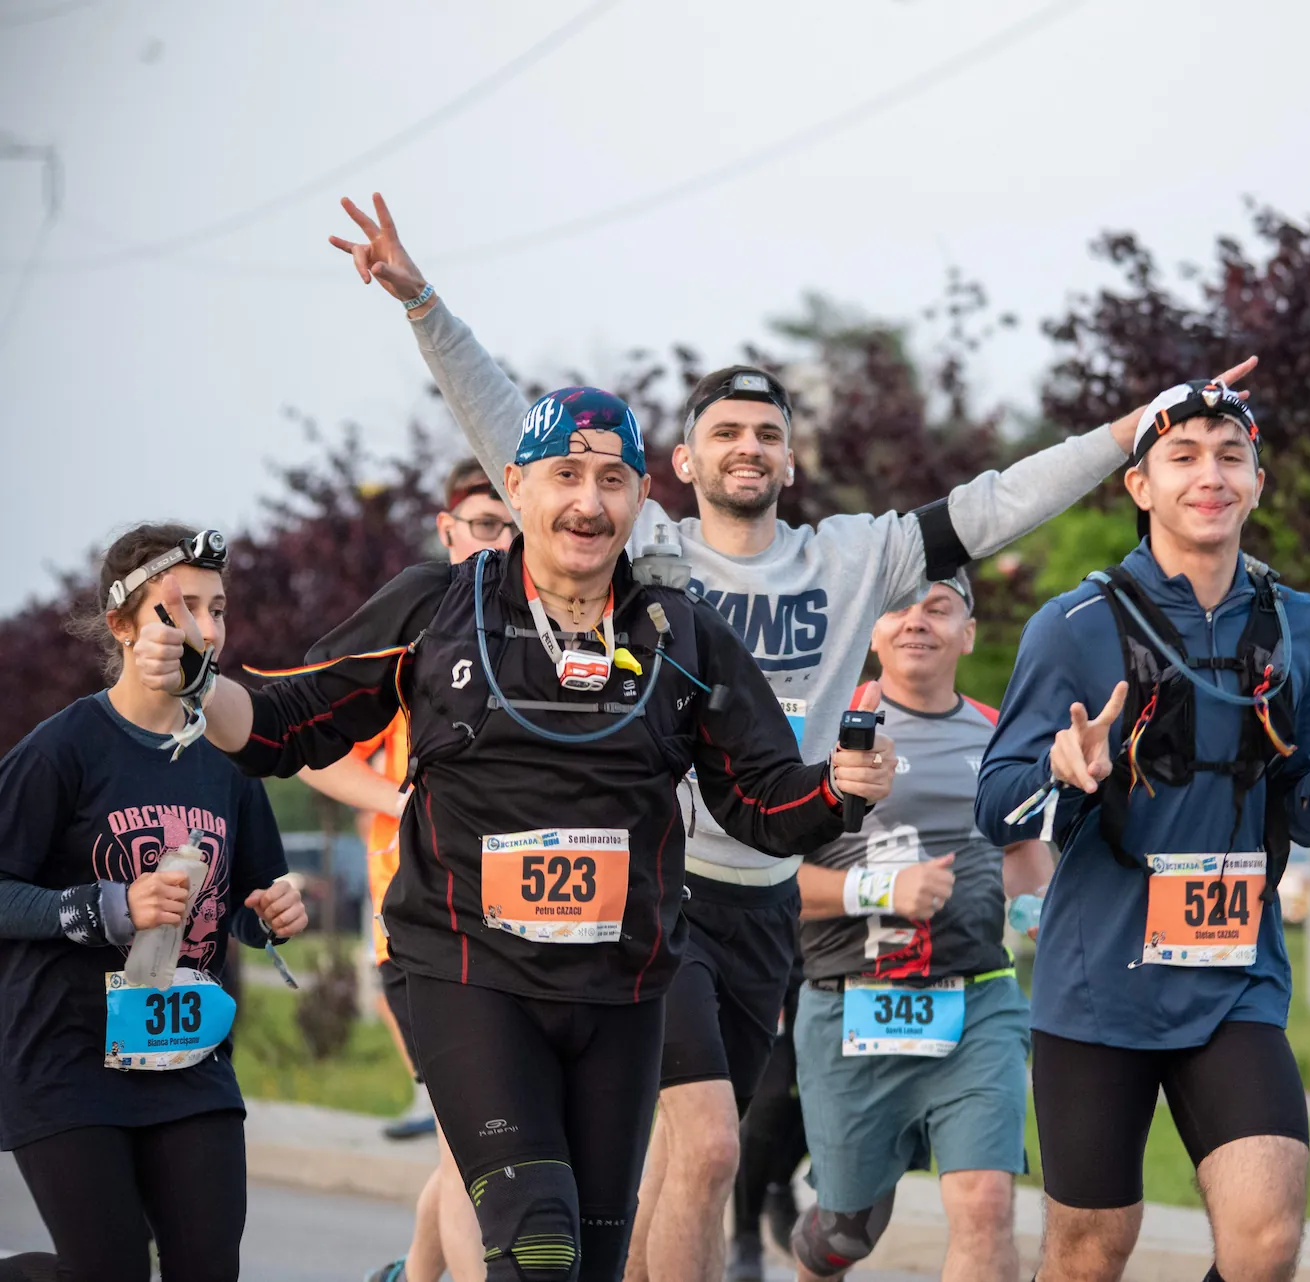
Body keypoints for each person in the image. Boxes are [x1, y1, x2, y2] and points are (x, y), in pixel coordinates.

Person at [325, 190, 1241, 1282]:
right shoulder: (647, 548)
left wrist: (1131, 433)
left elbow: (997, 504)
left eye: (767, 433)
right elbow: (506, 426)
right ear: (680, 463)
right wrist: (424, 304)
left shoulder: (854, 560)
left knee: (686, 1163)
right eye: (724, 433)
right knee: (707, 1139)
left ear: (790, 462)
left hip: (769, 891)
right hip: (654, 883)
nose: (747, 447)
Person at [130, 388, 897, 1282]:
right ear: (517, 485)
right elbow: (284, 723)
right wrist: (198, 680)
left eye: (613, 480)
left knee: (593, 1264)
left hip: (621, 991)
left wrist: (842, 789)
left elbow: (763, 804)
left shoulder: (682, 634)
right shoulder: (434, 610)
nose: (589, 502)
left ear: (642, 501)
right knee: (537, 1243)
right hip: (471, 976)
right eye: (565, 475)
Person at [976, 379, 1310, 1282]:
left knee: (1265, 1242)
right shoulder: (1070, 626)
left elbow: (1298, 804)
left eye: (1230, 456)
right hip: (1100, 984)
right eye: (1182, 457)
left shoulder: (1295, 621)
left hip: (1234, 979)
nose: (1208, 476)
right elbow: (996, 805)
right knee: (1090, 1253)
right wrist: (1064, 776)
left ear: (1259, 481)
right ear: (1139, 485)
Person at [0, 523, 309, 1282]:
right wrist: (110, 906)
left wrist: (271, 912)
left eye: (218, 609)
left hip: (189, 1058)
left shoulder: (229, 757)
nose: (206, 629)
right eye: (179, 609)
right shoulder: (61, 749)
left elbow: (242, 900)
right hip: (67, 1061)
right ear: (122, 625)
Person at [786, 572, 1053, 1282]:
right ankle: (821, 1232)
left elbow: (1026, 857)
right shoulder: (818, 728)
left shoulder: (1001, 735)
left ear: (968, 634)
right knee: (846, 1233)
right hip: (850, 1003)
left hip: (977, 1000)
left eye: (939, 609)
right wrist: (884, 888)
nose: (916, 622)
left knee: (987, 1200)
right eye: (898, 608)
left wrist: (1045, 919)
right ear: (871, 632)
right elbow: (775, 885)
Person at [301, 459, 510, 1282]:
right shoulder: (416, 638)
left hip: (517, 933)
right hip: (420, 934)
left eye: (511, 526)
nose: (501, 541)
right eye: (485, 524)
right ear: (447, 527)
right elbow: (314, 757)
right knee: (474, 1148)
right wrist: (404, 800)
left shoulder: (536, 637)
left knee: (478, 1145)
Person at [724, 961, 807, 1282]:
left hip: (836, 961)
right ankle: (746, 1234)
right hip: (780, 961)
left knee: (817, 1104)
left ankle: (779, 1184)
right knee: (767, 1101)